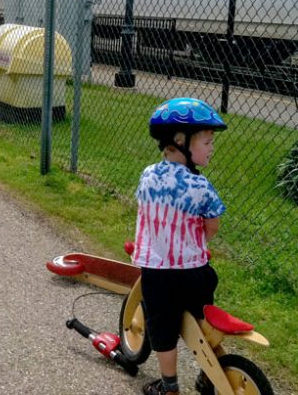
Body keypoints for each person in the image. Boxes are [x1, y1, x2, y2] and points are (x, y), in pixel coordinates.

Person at [132, 97, 227, 395]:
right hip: (195, 273)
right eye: (208, 142)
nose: (212, 148)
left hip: (159, 273)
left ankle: (169, 386)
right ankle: (212, 374)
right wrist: (196, 243)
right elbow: (212, 226)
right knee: (202, 321)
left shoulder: (147, 176)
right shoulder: (201, 187)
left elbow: (145, 212)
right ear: (181, 140)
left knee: (162, 329)